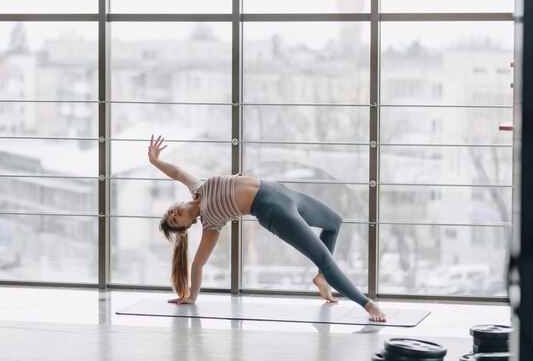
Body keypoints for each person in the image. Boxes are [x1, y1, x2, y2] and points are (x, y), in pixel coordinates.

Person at [148, 135, 386, 322]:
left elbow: (177, 172)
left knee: (334, 222)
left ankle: (322, 279)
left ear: (177, 203)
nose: (174, 214)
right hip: (274, 212)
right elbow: (198, 264)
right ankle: (368, 304)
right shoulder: (211, 224)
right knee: (324, 258)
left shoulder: (197, 186)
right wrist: (191, 296)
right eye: (174, 221)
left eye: (171, 211)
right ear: (188, 226)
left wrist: (155, 161)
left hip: (282, 192)